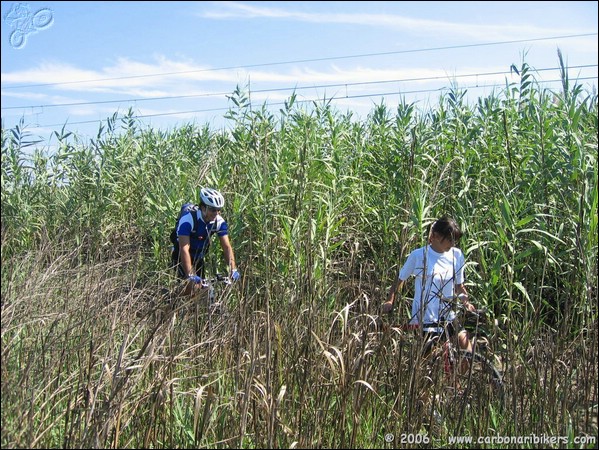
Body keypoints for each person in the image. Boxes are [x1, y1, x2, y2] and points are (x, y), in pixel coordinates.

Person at [381, 216, 476, 351]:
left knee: (467, 350)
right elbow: (400, 278)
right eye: (450, 240)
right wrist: (390, 300)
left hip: (448, 315)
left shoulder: (457, 255)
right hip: (425, 318)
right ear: (436, 236)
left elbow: (459, 287)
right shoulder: (419, 255)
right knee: (428, 360)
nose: (453, 244)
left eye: (455, 240)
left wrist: (466, 303)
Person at [174, 187, 240, 295]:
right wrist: (190, 275)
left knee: (203, 291)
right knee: (192, 288)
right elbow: (184, 249)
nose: (216, 213)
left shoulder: (218, 222)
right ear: (203, 207)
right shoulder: (188, 220)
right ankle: (170, 306)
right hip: (180, 256)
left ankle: (194, 309)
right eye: (213, 209)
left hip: (198, 256)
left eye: (219, 210)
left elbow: (227, 247)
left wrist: (233, 269)